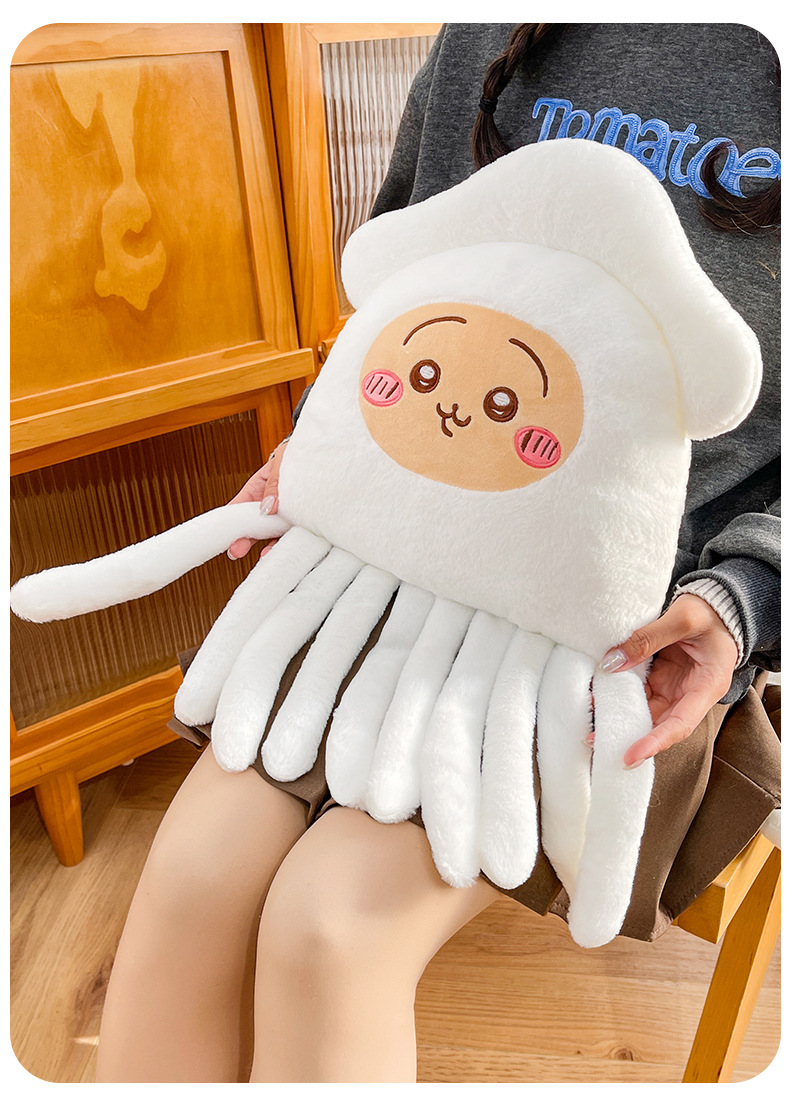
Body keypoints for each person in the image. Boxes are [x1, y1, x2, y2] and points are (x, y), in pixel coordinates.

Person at [95, 24, 780, 1083]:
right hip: (388, 566)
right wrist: (326, 448)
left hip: (615, 640)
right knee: (191, 878)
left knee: (329, 929)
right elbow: (406, 290)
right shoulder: (492, 32)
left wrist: (745, 594)